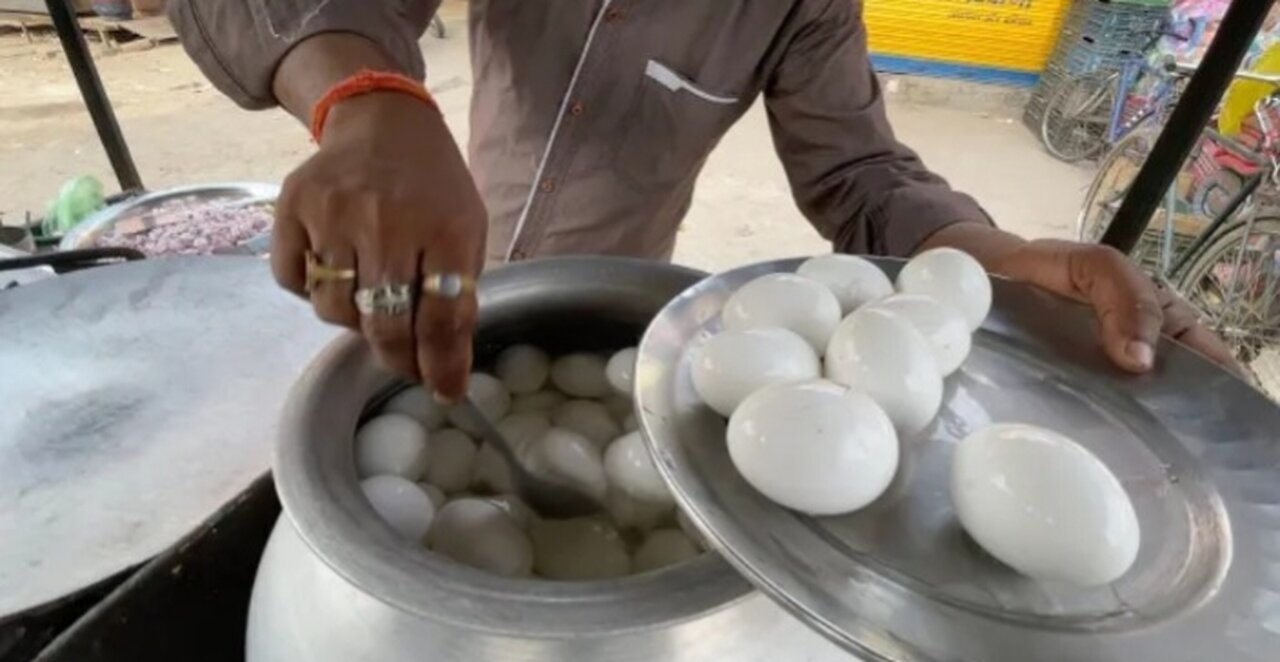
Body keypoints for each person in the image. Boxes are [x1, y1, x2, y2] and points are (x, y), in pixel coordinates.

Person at [169, 0, 1235, 401]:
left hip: (606, 322)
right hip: (427, 250)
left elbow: (858, 173)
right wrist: (364, 102)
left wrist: (1000, 263)